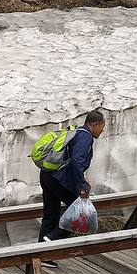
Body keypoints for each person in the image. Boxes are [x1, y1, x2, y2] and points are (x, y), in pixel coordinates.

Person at [38, 109, 106, 264]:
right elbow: (77, 160)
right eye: (102, 126)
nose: (102, 130)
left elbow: (73, 161)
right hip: (59, 180)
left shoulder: (77, 132)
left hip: (48, 175)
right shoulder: (86, 137)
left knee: (50, 215)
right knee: (79, 213)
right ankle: (53, 239)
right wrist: (82, 185)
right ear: (95, 124)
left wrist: (83, 179)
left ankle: (42, 256)